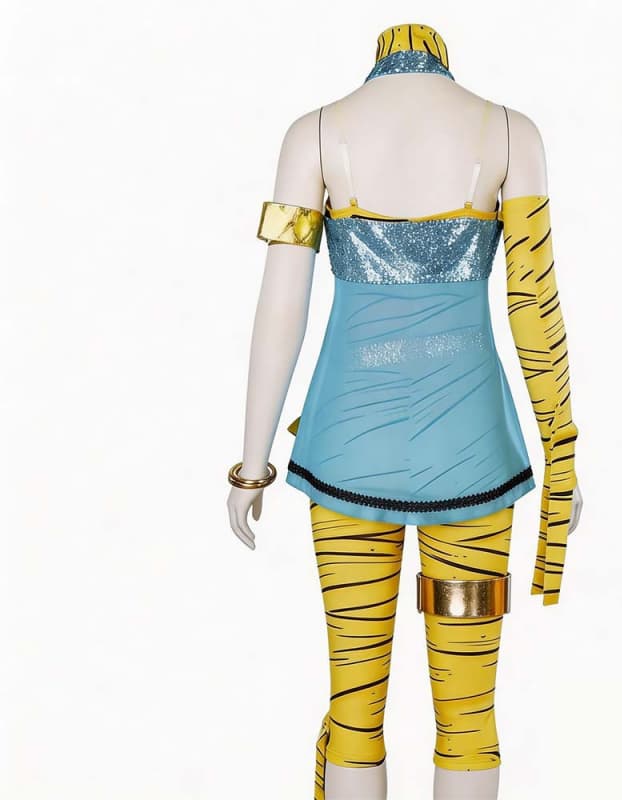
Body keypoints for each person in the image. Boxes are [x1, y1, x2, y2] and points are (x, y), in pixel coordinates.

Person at [226, 22, 583, 800]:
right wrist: (562, 455)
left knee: (355, 711)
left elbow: (281, 303)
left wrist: (252, 466)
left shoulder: (314, 134)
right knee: (469, 716)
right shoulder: (511, 134)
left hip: (345, 462)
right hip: (475, 468)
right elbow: (534, 305)